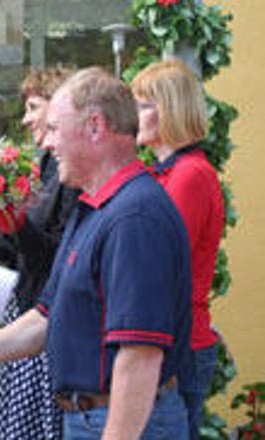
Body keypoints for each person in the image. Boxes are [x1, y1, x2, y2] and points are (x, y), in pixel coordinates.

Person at [0, 67, 195, 439]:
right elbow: (45, 316)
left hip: (124, 421)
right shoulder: (96, 207)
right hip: (90, 418)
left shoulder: (134, 218)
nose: (47, 143)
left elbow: (139, 357)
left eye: (56, 129)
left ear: (95, 127)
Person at [132, 59, 224, 439]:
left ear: (168, 109)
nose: (133, 115)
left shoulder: (189, 176)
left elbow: (157, 262)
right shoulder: (167, 172)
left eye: (143, 105)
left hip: (182, 344)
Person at [0, 67, 79, 440]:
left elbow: (55, 255)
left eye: (33, 107)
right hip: (24, 312)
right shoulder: (43, 165)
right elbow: (20, 252)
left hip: (44, 324)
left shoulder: (70, 173)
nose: (26, 118)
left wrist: (14, 219)